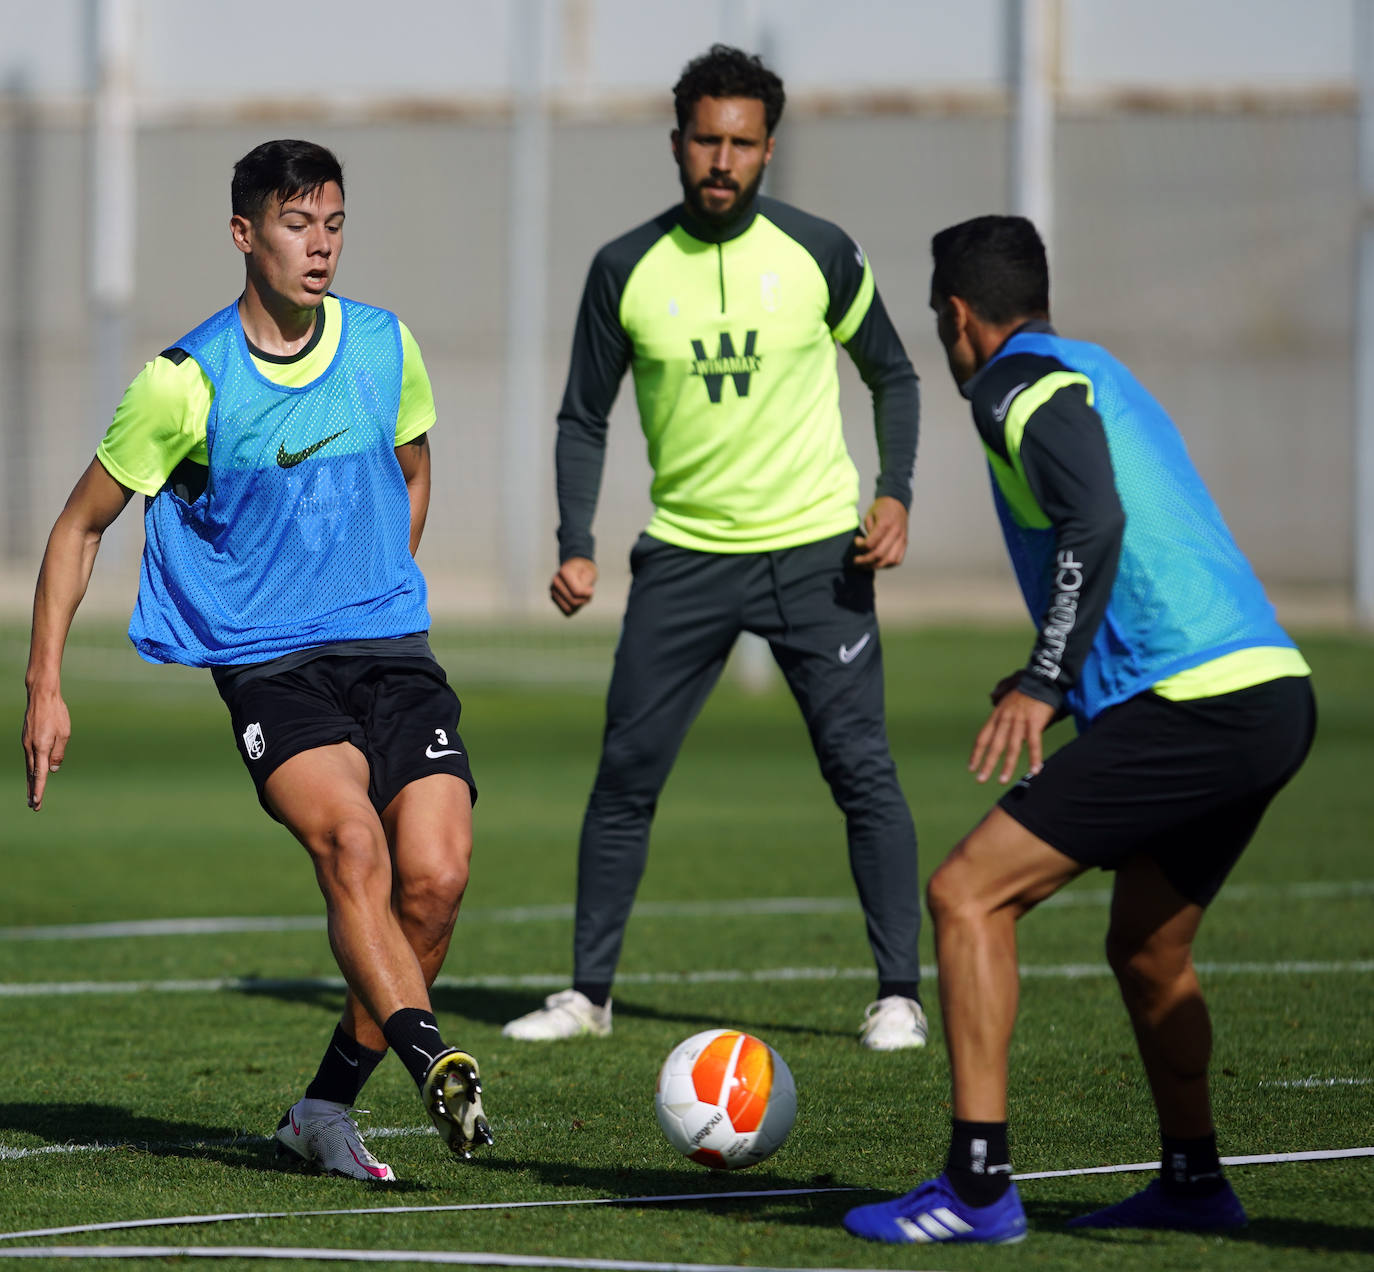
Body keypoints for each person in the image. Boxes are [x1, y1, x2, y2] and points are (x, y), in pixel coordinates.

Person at [21, 139, 493, 1183]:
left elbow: (413, 469)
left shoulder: (383, 346)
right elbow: (76, 529)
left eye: (331, 223)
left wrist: (369, 580)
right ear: (245, 233)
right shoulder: (182, 383)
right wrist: (43, 683)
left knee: (437, 878)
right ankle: (432, 1056)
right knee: (352, 849)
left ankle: (322, 1110)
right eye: (295, 224)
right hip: (269, 667)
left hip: (391, 653)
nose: (318, 245)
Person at [843, 214, 1316, 1245]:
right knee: (1149, 948)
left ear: (956, 317)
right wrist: (1055, 670)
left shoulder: (1009, 383)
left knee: (966, 895)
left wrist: (1046, 685)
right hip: (1270, 690)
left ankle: (975, 1188)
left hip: (1195, 702)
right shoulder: (1093, 366)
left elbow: (1093, 519)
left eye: (938, 319)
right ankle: (1194, 1183)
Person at [502, 45, 926, 1051]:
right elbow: (581, 418)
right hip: (684, 561)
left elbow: (896, 376)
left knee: (861, 771)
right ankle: (588, 997)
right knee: (626, 776)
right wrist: (576, 541)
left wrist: (896, 494)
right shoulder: (624, 268)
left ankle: (900, 994)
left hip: (821, 556)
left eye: (741, 142)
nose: (722, 159)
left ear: (769, 147)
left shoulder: (821, 251)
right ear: (678, 143)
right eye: (706, 139)